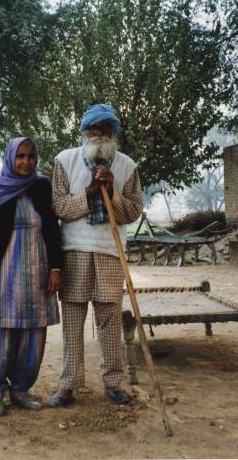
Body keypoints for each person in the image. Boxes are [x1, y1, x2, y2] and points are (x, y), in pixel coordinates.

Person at [47, 103, 143, 407]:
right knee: (73, 322)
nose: (98, 133)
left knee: (110, 321)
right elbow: (58, 208)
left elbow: (132, 212)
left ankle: (113, 384)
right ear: (84, 131)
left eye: (104, 128)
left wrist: (112, 191)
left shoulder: (127, 166)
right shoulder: (65, 161)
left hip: (109, 253)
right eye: (92, 128)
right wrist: (89, 191)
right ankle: (69, 385)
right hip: (74, 251)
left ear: (112, 132)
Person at [0, 137, 63, 416]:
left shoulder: (41, 187)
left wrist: (56, 268)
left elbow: (51, 229)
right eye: (20, 156)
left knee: (32, 335)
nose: (26, 162)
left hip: (36, 273)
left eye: (31, 157)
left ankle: (20, 389)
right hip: (1, 276)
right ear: (10, 158)